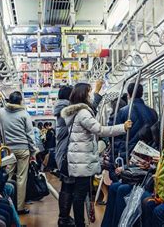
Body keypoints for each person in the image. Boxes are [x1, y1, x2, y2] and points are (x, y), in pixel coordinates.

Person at [61, 83, 132, 227]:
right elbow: (100, 130)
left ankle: (80, 223)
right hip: (82, 161)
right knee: (80, 195)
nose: (89, 96)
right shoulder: (83, 113)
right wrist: (122, 127)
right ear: (83, 95)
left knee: (78, 195)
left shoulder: (75, 112)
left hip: (77, 159)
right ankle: (80, 224)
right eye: (88, 93)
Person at [0, 91, 37, 214]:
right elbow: (30, 135)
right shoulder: (24, 114)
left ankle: (5, 203)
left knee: (7, 176)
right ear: (20, 101)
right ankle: (20, 207)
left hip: (8, 149)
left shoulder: (1, 112)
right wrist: (33, 151)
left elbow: (0, 131)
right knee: (21, 179)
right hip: (23, 149)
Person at [114, 83, 158, 159]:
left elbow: (117, 136)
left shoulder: (122, 112)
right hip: (149, 154)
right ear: (141, 94)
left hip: (128, 154)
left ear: (128, 94)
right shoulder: (153, 112)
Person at [54, 85, 76, 227]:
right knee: (67, 186)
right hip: (66, 153)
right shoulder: (67, 110)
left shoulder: (62, 108)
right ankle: (64, 218)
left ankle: (64, 217)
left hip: (63, 152)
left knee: (66, 185)